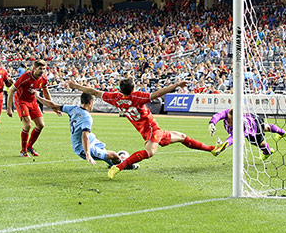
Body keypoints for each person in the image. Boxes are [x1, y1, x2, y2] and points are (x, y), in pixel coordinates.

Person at [69, 77, 222, 179]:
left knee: (181, 136)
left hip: (148, 130)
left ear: (120, 89)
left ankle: (212, 149)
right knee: (150, 152)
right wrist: (176, 85)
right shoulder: (137, 97)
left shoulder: (115, 98)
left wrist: (76, 86)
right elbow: (157, 94)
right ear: (133, 88)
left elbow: (94, 92)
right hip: (151, 129)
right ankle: (119, 167)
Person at [35, 91, 139, 170]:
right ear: (90, 102)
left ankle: (113, 164)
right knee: (114, 155)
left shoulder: (73, 108)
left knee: (103, 149)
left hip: (89, 139)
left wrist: (37, 97)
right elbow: (84, 136)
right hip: (82, 147)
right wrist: (88, 153)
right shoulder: (87, 117)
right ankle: (125, 165)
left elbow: (53, 105)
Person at [6, 60, 52, 157]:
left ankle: (29, 147)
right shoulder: (25, 77)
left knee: (41, 125)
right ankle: (23, 151)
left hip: (32, 102)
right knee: (28, 125)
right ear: (34, 68)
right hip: (21, 101)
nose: (42, 71)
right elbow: (11, 90)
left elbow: (46, 92)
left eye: (44, 69)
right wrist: (9, 108)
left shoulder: (43, 78)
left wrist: (53, 106)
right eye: (40, 69)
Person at [208, 107, 286, 160]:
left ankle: (267, 153)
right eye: (228, 119)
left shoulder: (241, 126)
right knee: (266, 127)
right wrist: (212, 123)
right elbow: (218, 115)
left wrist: (224, 145)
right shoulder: (227, 112)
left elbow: (234, 138)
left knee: (260, 143)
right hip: (252, 117)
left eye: (231, 121)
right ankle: (283, 132)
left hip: (253, 126)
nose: (228, 122)